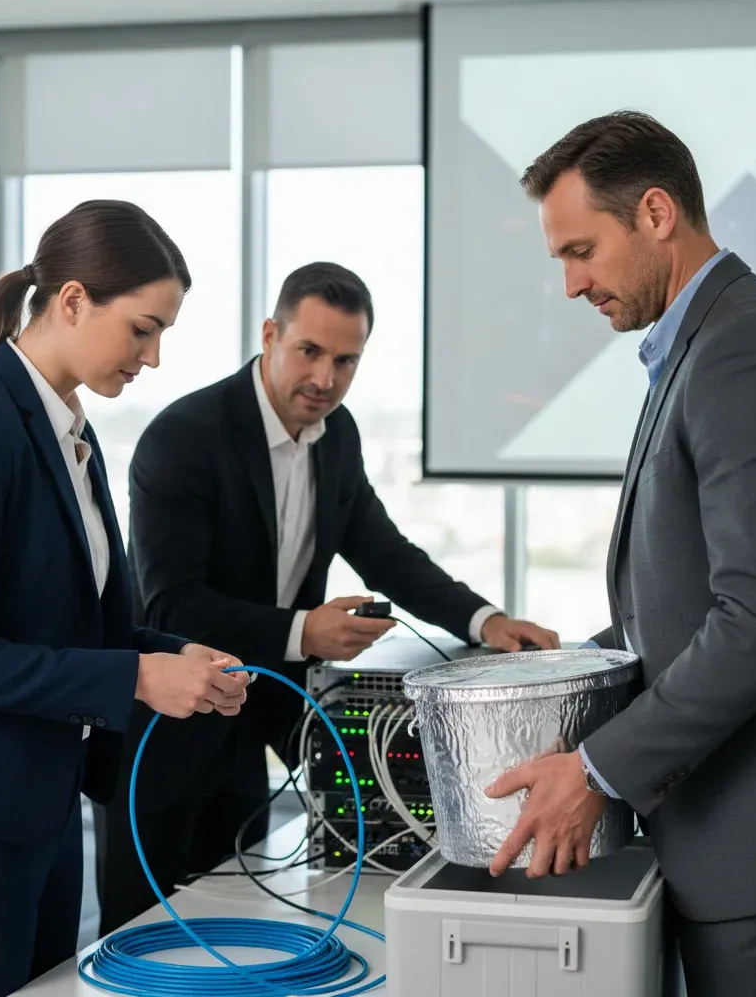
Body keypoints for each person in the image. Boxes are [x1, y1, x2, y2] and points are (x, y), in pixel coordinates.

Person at [92, 259, 560, 934]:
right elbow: (170, 607)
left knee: (239, 937)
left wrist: (485, 620)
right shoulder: (184, 437)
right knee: (140, 945)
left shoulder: (337, 436)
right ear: (270, 335)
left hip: (247, 729)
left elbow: (385, 553)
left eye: (346, 361)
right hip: (160, 745)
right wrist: (302, 632)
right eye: (309, 351)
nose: (325, 379)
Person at [484, 112, 756, 996]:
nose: (572, 284)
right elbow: (684, 602)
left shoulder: (745, 348)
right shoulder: (698, 344)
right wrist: (564, 677)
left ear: (654, 213)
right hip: (724, 844)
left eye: (581, 251)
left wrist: (598, 770)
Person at [0, 200, 250, 997]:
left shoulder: (68, 428)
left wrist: (175, 655)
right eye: (142, 329)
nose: (154, 357)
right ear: (72, 300)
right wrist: (136, 677)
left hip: (40, 810)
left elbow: (73, 624)